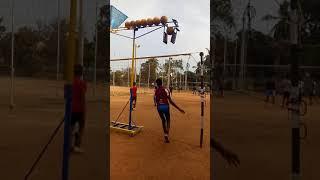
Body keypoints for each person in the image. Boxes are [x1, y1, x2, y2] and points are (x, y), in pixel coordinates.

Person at [154, 78, 185, 143]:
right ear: (162, 83)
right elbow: (170, 101)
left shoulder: (156, 91)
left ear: (157, 84)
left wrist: (159, 104)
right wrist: (179, 109)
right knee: (168, 120)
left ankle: (165, 133)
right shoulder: (165, 89)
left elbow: (156, 101)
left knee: (163, 120)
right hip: (165, 106)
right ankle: (166, 134)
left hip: (159, 107)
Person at [71, 64, 87, 153]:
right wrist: (84, 111)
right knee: (81, 128)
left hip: (71, 109)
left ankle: (70, 145)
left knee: (71, 127)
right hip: (80, 110)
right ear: (81, 73)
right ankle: (76, 145)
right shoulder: (82, 83)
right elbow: (82, 98)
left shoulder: (70, 82)